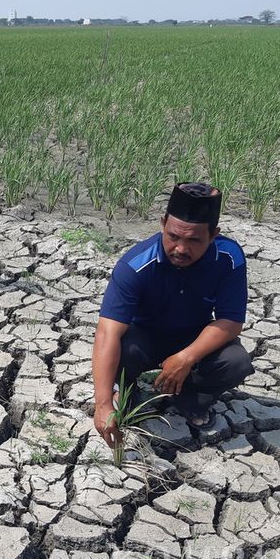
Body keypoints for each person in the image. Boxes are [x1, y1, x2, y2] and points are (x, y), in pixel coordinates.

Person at [91, 182, 254, 448]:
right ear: (163, 223)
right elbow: (107, 332)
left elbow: (231, 321)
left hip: (193, 337)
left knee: (236, 362)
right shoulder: (136, 265)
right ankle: (126, 392)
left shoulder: (229, 258)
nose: (180, 248)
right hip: (144, 338)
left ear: (214, 235)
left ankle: (190, 397)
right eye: (173, 236)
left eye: (194, 240)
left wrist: (186, 357)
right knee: (122, 349)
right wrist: (102, 403)